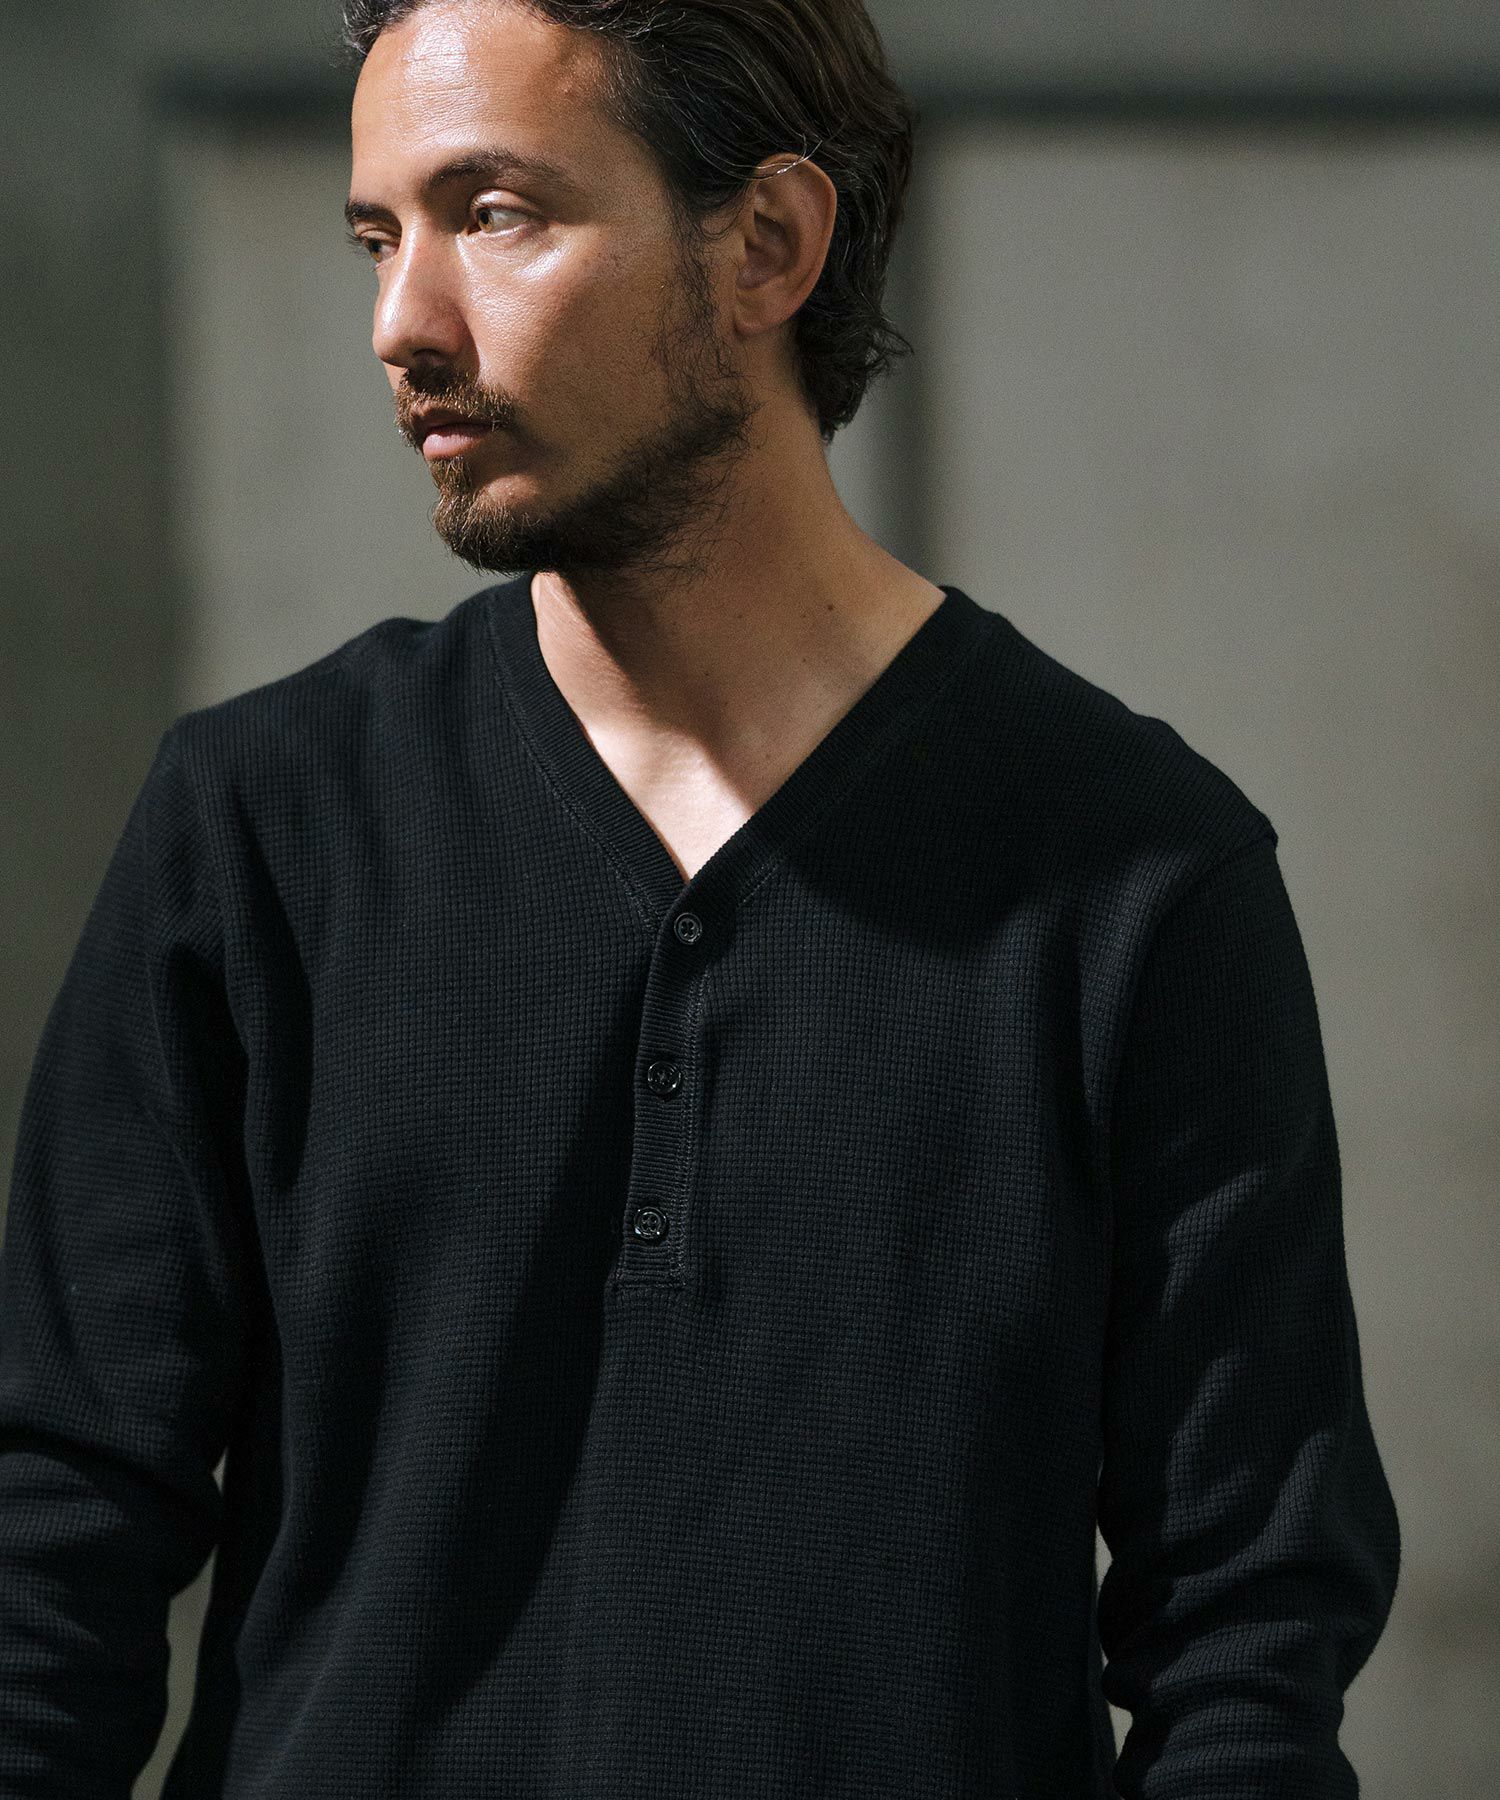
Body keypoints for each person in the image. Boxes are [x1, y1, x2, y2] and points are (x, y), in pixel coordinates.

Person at [0, 1, 1400, 1795]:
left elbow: (1248, 1640)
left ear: (770, 245)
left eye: (494, 213)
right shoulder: (258, 827)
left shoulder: (1137, 881)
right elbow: (53, 1545)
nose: (404, 322)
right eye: (377, 236)